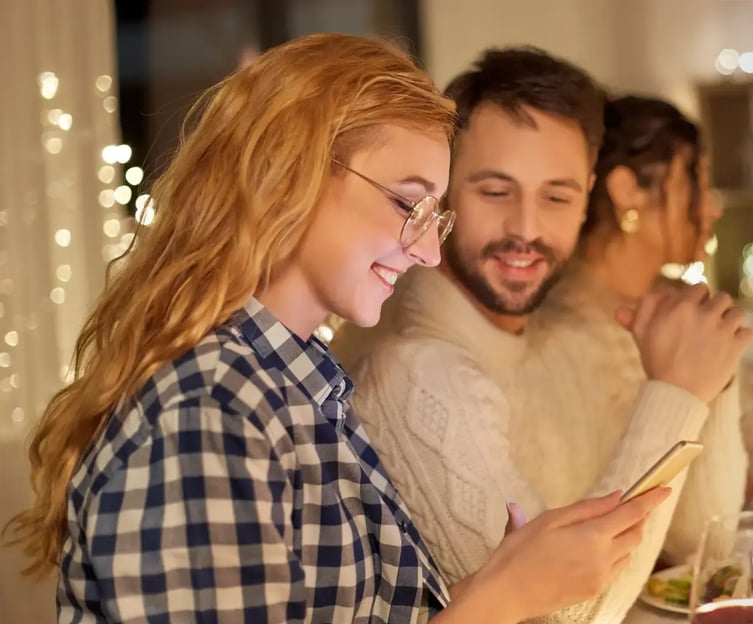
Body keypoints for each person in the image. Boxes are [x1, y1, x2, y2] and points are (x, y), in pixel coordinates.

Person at [2, 34, 671, 624]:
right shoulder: (209, 415)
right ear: (288, 172)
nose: (428, 253)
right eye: (409, 204)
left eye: (435, 217)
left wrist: (508, 578)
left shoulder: (300, 393)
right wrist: (500, 600)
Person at [331, 49, 753, 623]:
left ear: (587, 198)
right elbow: (562, 615)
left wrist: (713, 379)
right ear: (445, 191)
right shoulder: (409, 374)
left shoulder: (560, 341)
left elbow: (701, 547)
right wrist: (677, 392)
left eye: (556, 196)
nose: (526, 229)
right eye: (495, 192)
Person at [532, 95, 753, 516]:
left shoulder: (686, 305)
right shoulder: (560, 330)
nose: (712, 207)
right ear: (626, 190)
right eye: (694, 183)